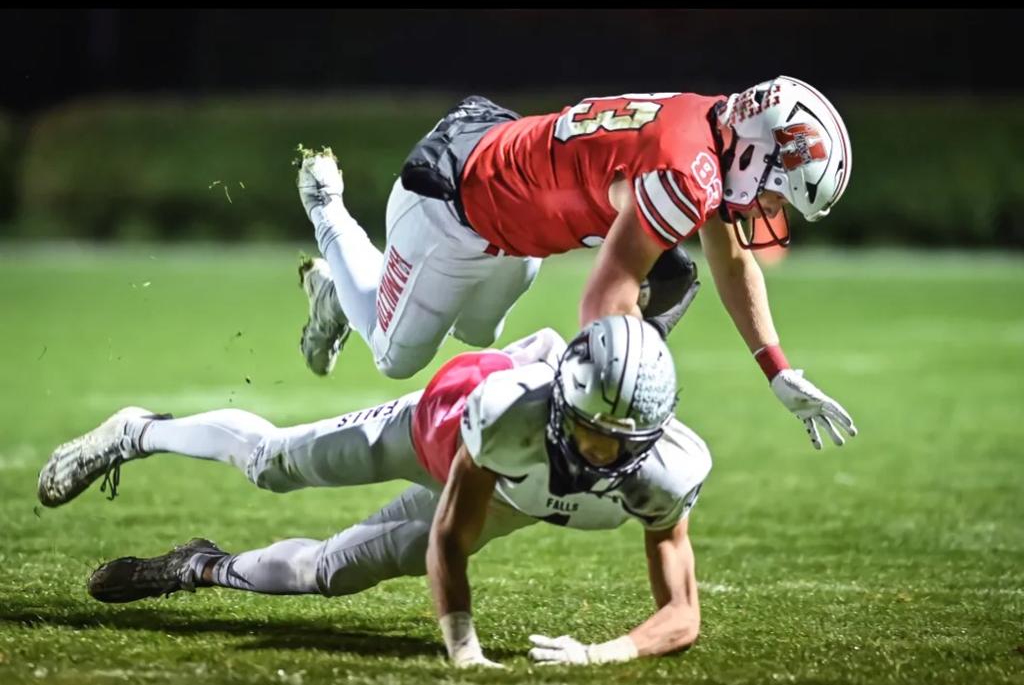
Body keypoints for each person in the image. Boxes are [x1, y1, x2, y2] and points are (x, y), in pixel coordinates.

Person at [38, 317, 709, 667]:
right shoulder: (510, 415)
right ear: (562, 405)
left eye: (622, 442)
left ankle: (199, 565)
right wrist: (463, 649)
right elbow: (450, 538)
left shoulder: (667, 470)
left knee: (328, 572)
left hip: (512, 495)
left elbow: (683, 614)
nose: (602, 456)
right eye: (591, 434)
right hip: (438, 431)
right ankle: (138, 431)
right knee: (272, 463)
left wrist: (603, 651)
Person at [296, 75, 857, 450]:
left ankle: (360, 286)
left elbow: (731, 259)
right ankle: (327, 211)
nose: (771, 209)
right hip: (451, 204)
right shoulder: (686, 174)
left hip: (507, 199)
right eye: (777, 194)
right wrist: (617, 405)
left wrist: (777, 369)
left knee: (478, 332)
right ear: (757, 150)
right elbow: (606, 298)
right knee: (395, 356)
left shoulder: (712, 127)